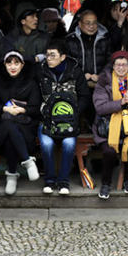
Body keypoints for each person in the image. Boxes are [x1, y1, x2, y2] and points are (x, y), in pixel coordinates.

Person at [37, 40, 91, 195]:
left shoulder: (75, 71)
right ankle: (49, 180)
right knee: (46, 144)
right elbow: (34, 95)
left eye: (53, 55)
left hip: (69, 121)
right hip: (46, 120)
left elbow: (85, 96)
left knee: (68, 143)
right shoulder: (40, 71)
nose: (49, 58)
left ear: (63, 57)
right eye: (47, 55)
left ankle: (63, 182)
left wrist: (74, 113)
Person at [0, 51, 42, 195]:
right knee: (8, 125)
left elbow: (36, 108)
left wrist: (21, 110)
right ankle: (27, 161)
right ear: (4, 65)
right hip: (2, 132)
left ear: (22, 65)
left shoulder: (31, 82)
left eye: (16, 63)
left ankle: (11, 176)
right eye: (9, 63)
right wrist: (5, 108)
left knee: (11, 132)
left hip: (25, 131)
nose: (13, 66)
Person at [92, 51, 128, 199]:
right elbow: (100, 107)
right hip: (107, 127)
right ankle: (106, 184)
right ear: (113, 66)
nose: (121, 68)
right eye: (117, 65)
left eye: (124, 64)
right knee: (109, 151)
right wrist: (120, 103)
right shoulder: (104, 81)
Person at [65, 9, 112, 84]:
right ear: (80, 24)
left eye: (94, 23)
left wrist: (101, 76)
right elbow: (67, 63)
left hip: (100, 83)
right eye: (88, 23)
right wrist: (80, 75)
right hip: (77, 83)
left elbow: (110, 62)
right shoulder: (70, 40)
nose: (91, 26)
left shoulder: (104, 39)